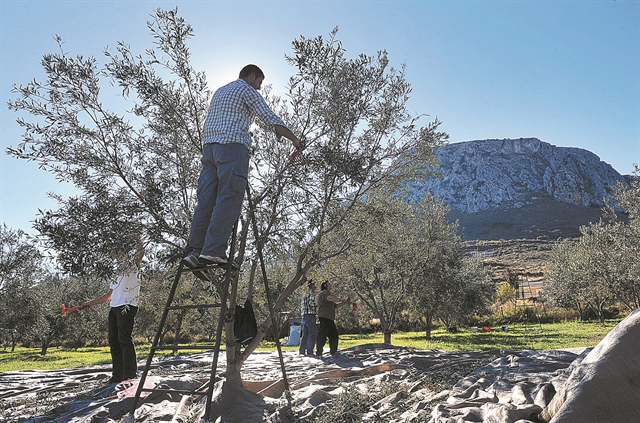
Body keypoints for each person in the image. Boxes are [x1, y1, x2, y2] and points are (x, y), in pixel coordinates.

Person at [183, 64, 302, 275]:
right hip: (232, 149)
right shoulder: (246, 89)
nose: (259, 88)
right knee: (229, 197)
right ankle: (213, 250)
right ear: (252, 76)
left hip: (210, 151)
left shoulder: (220, 91)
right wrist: (294, 140)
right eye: (259, 83)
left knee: (206, 202)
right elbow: (270, 118)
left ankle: (195, 253)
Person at [77, 241, 144, 384]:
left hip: (127, 306)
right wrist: (89, 303)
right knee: (114, 341)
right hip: (114, 307)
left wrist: (138, 238)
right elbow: (109, 295)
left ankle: (130, 374)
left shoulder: (132, 265)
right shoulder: (116, 271)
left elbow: (140, 253)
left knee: (124, 339)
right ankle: (117, 375)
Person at [316, 280, 351, 357]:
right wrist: (339, 298)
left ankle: (333, 352)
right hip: (325, 317)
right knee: (322, 334)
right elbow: (329, 298)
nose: (330, 285)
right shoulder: (324, 292)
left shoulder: (328, 296)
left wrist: (344, 302)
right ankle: (319, 352)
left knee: (333, 335)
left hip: (329, 318)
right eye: (329, 284)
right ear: (325, 286)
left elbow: (335, 306)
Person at [299, 279, 318, 356]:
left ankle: (302, 350)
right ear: (311, 285)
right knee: (312, 334)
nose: (315, 286)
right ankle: (310, 351)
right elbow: (311, 304)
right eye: (314, 285)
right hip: (310, 315)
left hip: (304, 316)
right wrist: (317, 305)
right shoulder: (311, 293)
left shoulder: (304, 294)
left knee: (304, 334)